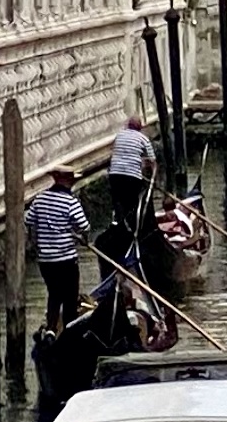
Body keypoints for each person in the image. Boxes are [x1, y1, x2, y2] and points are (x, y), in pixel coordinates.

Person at [27, 165, 92, 330]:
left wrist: (37, 243)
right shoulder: (70, 202)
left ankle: (50, 329)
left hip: (45, 260)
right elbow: (84, 226)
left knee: (54, 294)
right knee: (70, 298)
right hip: (66, 260)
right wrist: (82, 238)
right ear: (69, 181)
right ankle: (70, 331)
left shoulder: (39, 199)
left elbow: (29, 221)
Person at [103, 113, 155, 254]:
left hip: (115, 174)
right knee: (132, 204)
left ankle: (119, 224)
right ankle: (131, 228)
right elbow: (152, 161)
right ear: (141, 127)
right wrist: (152, 179)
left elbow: (113, 153)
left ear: (128, 126)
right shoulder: (143, 139)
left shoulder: (120, 136)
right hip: (132, 177)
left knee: (118, 202)